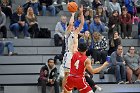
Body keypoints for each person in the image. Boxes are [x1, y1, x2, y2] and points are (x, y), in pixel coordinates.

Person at [62, 5, 84, 93]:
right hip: (69, 54)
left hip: (76, 55)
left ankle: (70, 90)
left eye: (74, 26)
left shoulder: (76, 33)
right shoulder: (67, 33)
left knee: (76, 75)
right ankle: (64, 91)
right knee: (66, 74)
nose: (73, 26)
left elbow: (82, 23)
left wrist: (81, 13)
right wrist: (72, 14)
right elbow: (71, 24)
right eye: (72, 26)